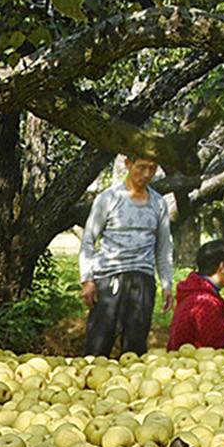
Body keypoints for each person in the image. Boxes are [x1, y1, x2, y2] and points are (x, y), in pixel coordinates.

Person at [76, 152, 172, 356]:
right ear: (128, 164)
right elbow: (88, 240)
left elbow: (163, 247)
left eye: (152, 168)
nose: (147, 174)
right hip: (110, 278)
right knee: (98, 343)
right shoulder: (109, 198)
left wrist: (166, 284)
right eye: (141, 167)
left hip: (142, 279)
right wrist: (87, 280)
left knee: (135, 346)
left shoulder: (158, 203)